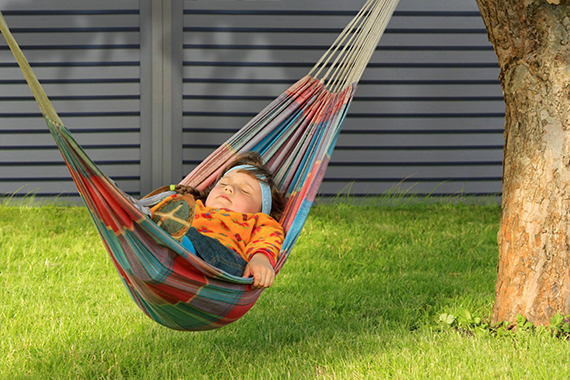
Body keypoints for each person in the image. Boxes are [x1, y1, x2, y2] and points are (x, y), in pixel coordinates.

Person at [147, 152, 285, 289]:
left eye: (244, 190)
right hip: (175, 254)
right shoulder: (193, 206)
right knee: (169, 214)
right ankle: (170, 242)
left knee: (186, 232)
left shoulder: (258, 220)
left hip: (225, 266)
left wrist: (261, 259)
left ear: (261, 209)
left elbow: (268, 237)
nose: (228, 188)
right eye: (223, 183)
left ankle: (177, 243)